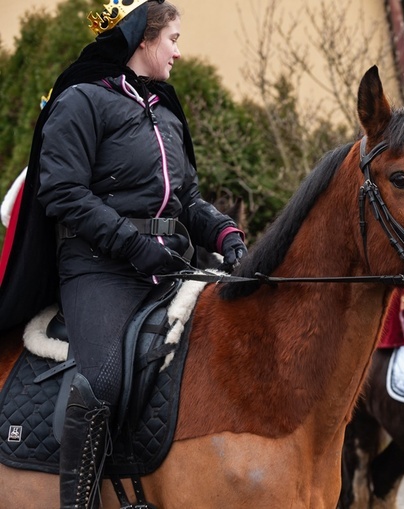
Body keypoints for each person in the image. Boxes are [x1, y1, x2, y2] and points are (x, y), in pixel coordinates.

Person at [0, 1, 246, 507]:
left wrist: (225, 234)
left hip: (169, 265)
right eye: (173, 39)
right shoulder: (80, 100)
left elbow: (188, 199)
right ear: (142, 39)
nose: (178, 51)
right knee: (104, 378)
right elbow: (63, 192)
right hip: (99, 269)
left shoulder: (164, 113)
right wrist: (134, 245)